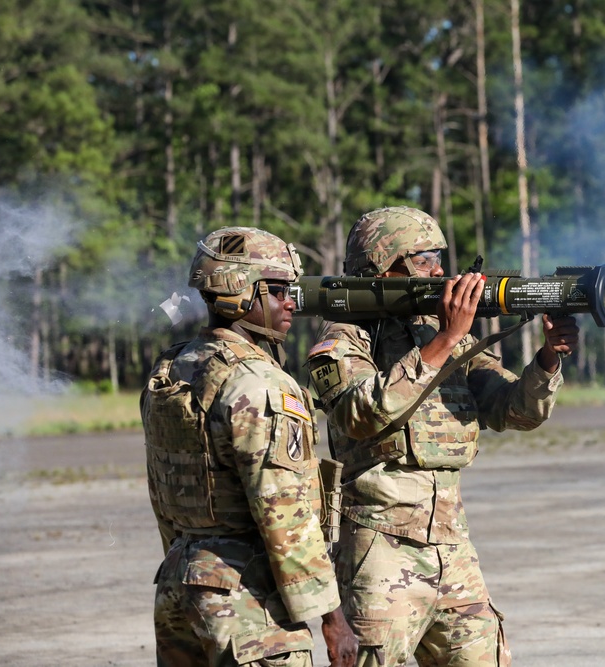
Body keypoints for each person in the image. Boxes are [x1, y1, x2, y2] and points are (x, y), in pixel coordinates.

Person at [305, 206, 580, 666]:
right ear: (381, 265)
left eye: (439, 257)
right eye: (424, 259)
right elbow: (360, 414)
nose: (439, 271)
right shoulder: (344, 339)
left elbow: (515, 409)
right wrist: (446, 341)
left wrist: (549, 358)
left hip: (453, 547)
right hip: (378, 547)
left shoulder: (436, 331)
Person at [141, 227, 358, 667]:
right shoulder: (258, 384)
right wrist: (332, 618)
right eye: (278, 290)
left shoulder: (172, 369)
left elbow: (164, 495)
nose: (292, 302)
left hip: (180, 583)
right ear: (239, 292)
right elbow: (284, 513)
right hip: (247, 599)